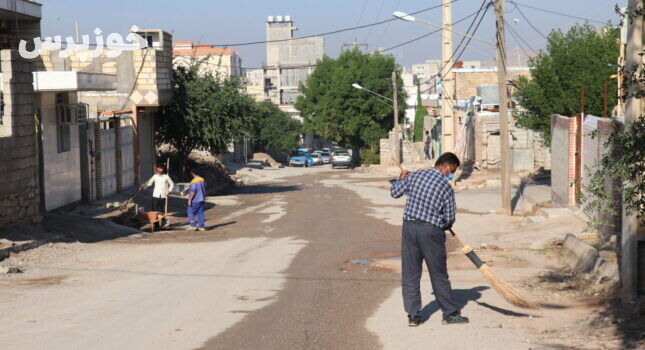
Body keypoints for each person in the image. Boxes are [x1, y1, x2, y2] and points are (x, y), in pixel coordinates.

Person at [390, 152, 468, 327]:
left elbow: (395, 193)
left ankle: (413, 316)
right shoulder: (445, 187)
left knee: (410, 273)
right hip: (430, 232)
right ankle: (449, 314)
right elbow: (449, 218)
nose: (451, 175)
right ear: (446, 165)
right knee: (438, 274)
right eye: (452, 171)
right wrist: (444, 225)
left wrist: (400, 178)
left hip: (409, 228)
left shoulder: (415, 176)